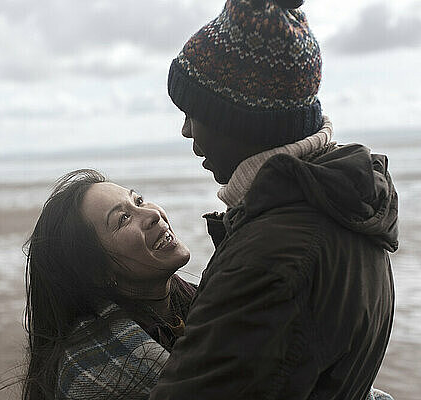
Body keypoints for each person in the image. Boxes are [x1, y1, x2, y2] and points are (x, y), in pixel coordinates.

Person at [150, 1, 398, 400]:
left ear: (241, 120)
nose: (184, 129)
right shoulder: (344, 207)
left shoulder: (275, 258)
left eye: (193, 113)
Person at [21, 169, 196, 400]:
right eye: (123, 218)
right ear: (97, 272)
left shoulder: (204, 301)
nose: (152, 214)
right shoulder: (93, 374)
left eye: (139, 201)